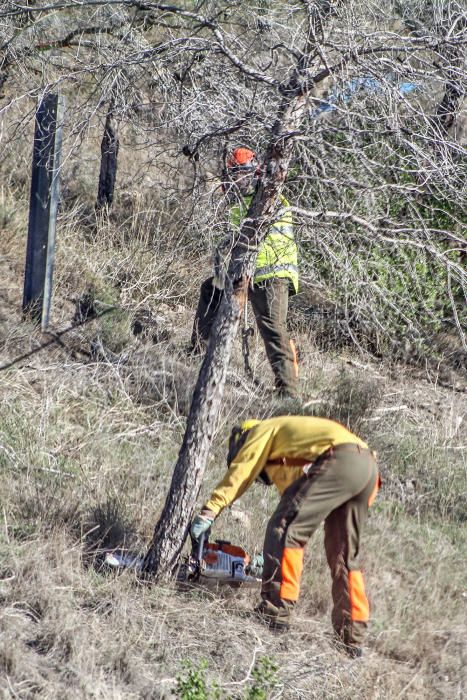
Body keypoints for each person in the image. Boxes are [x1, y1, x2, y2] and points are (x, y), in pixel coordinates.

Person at [190, 415, 380, 657]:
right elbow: (297, 510)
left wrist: (209, 511)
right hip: (367, 470)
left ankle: (275, 612)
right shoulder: (291, 450)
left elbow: (242, 472)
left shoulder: (261, 431)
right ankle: (351, 638)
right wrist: (267, 561)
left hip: (339, 460)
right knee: (343, 556)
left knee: (284, 528)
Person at [188, 146, 299, 398]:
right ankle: (197, 353)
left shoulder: (269, 198)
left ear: (254, 172)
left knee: (272, 327)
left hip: (272, 275)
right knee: (211, 290)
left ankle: (289, 392)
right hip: (245, 271)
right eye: (233, 174)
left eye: (240, 173)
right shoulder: (238, 204)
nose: (236, 179)